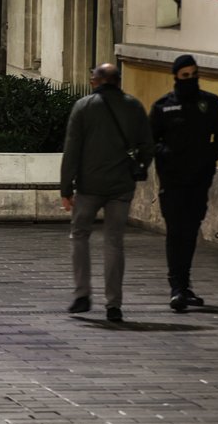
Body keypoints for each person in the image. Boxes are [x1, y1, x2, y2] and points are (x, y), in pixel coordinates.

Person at [61, 63, 152, 323]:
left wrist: (66, 188)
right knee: (114, 241)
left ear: (97, 81)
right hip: (121, 186)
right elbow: (147, 145)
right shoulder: (133, 106)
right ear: (118, 81)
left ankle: (82, 295)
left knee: (79, 235)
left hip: (89, 186)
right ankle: (114, 304)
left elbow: (72, 151)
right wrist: (139, 167)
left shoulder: (84, 107)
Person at [149, 54, 218, 312]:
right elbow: (149, 139)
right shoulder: (163, 106)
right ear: (176, 77)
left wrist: (207, 157)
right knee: (176, 232)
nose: (190, 80)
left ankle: (184, 286)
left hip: (199, 179)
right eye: (185, 75)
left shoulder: (210, 103)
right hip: (173, 181)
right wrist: (165, 155)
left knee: (189, 231)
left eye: (194, 75)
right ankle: (176, 287)